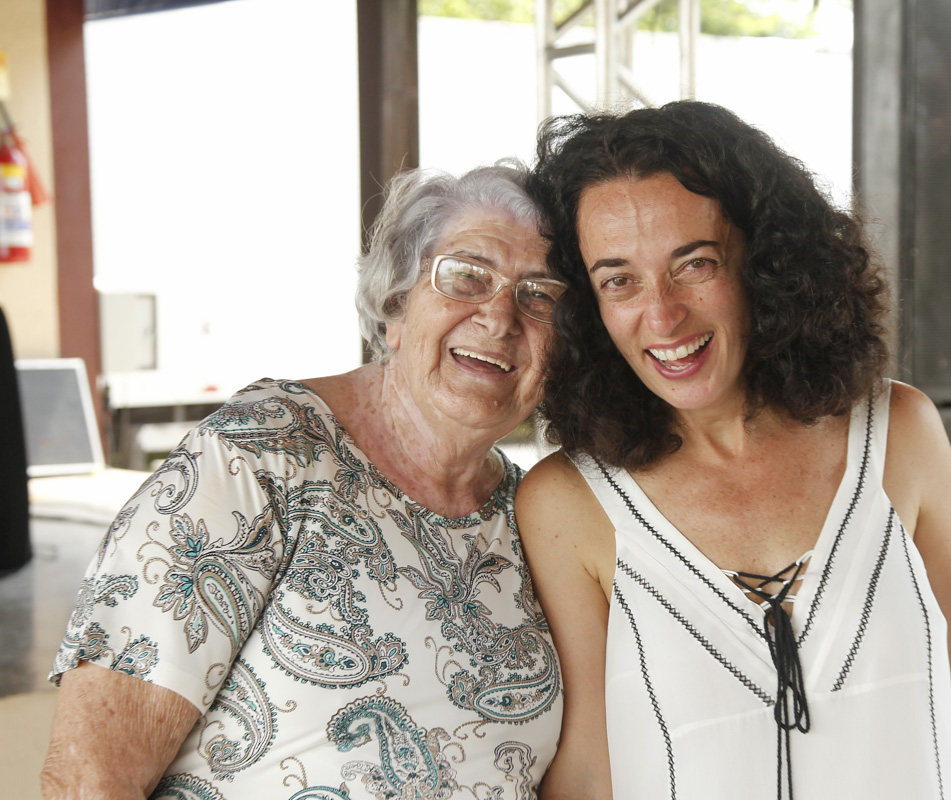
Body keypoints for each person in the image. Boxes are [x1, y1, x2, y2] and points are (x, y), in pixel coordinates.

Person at [516, 101, 951, 800]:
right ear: (587, 307)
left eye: (695, 263)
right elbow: (591, 768)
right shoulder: (568, 503)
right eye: (619, 280)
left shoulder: (900, 434)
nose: (663, 314)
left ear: (765, 261)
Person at [41, 162, 565, 799]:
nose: (500, 316)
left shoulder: (531, 515)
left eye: (539, 295)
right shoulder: (260, 455)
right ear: (395, 306)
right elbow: (90, 779)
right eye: (465, 276)